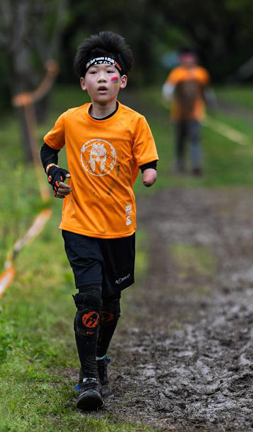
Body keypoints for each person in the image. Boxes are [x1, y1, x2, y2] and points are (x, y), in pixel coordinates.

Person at [40, 31, 159, 410]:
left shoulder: (134, 122)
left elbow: (148, 159)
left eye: (111, 72)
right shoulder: (70, 120)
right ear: (83, 83)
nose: (103, 78)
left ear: (122, 81)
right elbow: (48, 147)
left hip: (120, 226)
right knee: (89, 297)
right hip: (78, 224)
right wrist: (54, 174)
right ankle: (88, 376)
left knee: (111, 303)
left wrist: (148, 171)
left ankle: (101, 358)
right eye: (95, 73)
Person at [162, 47, 211, 176]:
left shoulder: (201, 73)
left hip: (196, 113)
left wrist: (208, 104)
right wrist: (167, 96)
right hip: (179, 114)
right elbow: (168, 88)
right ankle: (180, 163)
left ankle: (196, 164)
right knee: (180, 139)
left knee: (195, 139)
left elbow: (206, 91)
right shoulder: (177, 73)